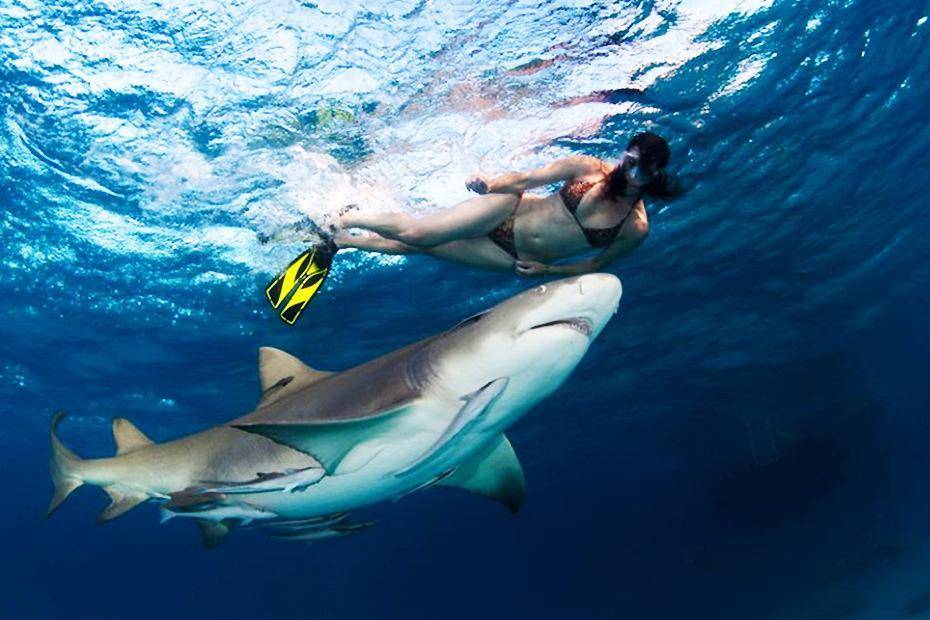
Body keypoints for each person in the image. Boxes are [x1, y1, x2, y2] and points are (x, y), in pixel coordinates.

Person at [336, 132, 682, 277]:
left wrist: (550, 271)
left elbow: (595, 264)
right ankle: (345, 215)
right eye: (629, 160)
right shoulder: (588, 169)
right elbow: (525, 181)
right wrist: (489, 184)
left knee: (417, 248)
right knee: (420, 233)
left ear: (657, 173)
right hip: (508, 210)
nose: (632, 171)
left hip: (513, 258)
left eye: (642, 167)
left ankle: (340, 240)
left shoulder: (636, 228)